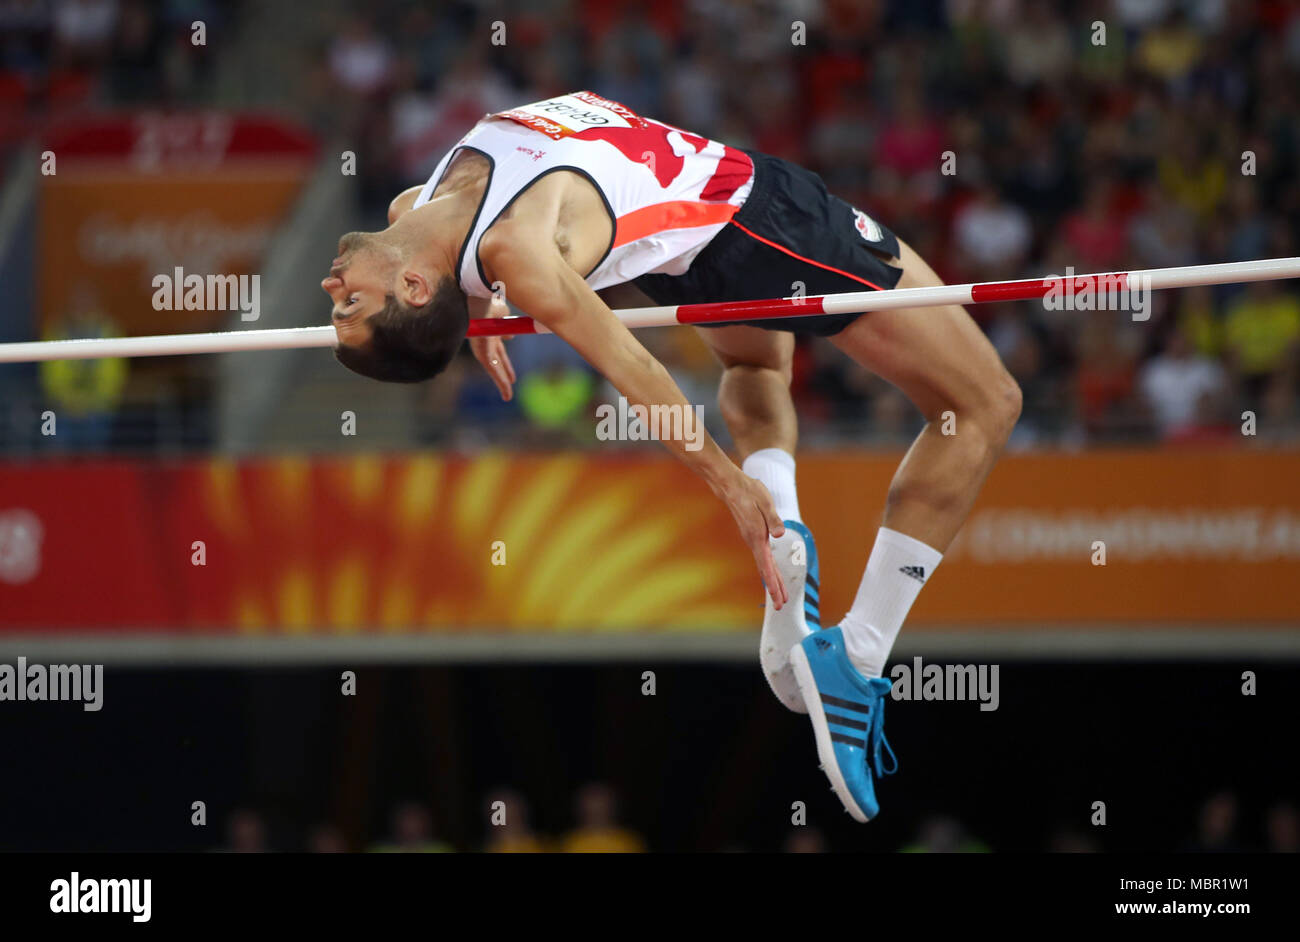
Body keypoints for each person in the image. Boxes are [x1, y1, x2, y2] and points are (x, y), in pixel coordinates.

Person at [321, 92, 1021, 823]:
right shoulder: (516, 251)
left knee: (755, 373)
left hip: (694, 247)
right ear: (408, 285)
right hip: (761, 224)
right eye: (348, 308)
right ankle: (861, 654)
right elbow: (636, 370)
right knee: (983, 404)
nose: (331, 287)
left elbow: (468, 261)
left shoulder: (418, 210)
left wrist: (483, 306)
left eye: (339, 307)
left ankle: (784, 529)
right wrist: (725, 482)